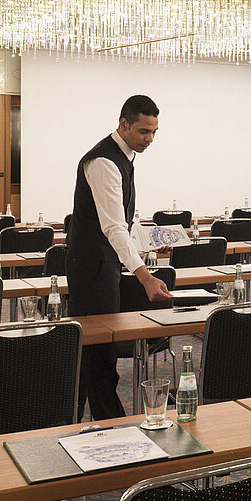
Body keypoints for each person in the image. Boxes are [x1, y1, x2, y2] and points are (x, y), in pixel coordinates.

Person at [66, 94, 171, 421]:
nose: (150, 139)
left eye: (154, 132)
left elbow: (124, 220)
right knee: (100, 352)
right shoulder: (103, 162)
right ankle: (111, 424)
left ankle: (69, 416)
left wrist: (149, 242)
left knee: (93, 352)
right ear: (123, 124)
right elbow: (113, 228)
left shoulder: (124, 156)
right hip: (91, 267)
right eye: (143, 131)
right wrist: (146, 276)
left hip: (102, 263)